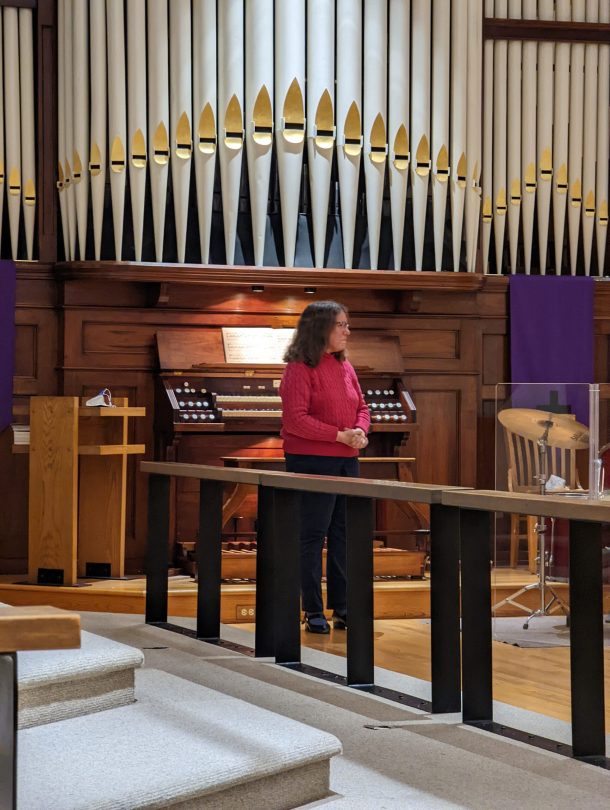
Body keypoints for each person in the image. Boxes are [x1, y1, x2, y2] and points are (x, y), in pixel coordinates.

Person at [279, 300, 370, 634]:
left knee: (343, 535)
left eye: (347, 324)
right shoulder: (299, 368)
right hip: (312, 460)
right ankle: (312, 610)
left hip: (346, 460)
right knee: (312, 535)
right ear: (320, 329)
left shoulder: (344, 365)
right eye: (341, 325)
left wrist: (360, 430)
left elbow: (362, 405)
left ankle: (343, 607)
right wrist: (338, 435)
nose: (347, 331)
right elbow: (296, 420)